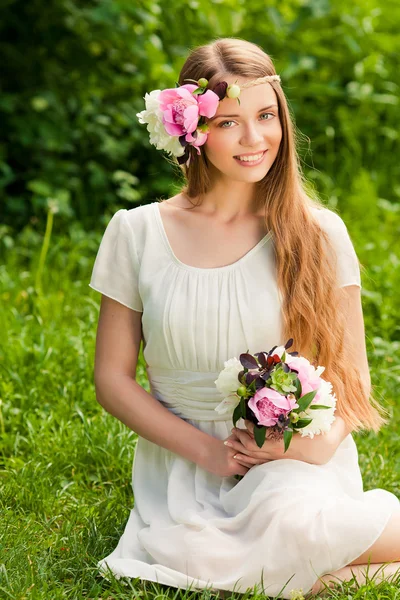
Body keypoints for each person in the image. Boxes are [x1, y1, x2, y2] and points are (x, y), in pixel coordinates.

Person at [88, 38, 400, 599]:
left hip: (291, 455)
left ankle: (320, 572)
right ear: (193, 130)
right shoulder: (136, 233)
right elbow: (112, 380)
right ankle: (319, 578)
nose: (255, 139)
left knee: (297, 518)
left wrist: (307, 449)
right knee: (204, 548)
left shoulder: (319, 233)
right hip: (184, 460)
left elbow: (352, 378)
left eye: (266, 115)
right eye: (230, 121)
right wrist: (212, 453)